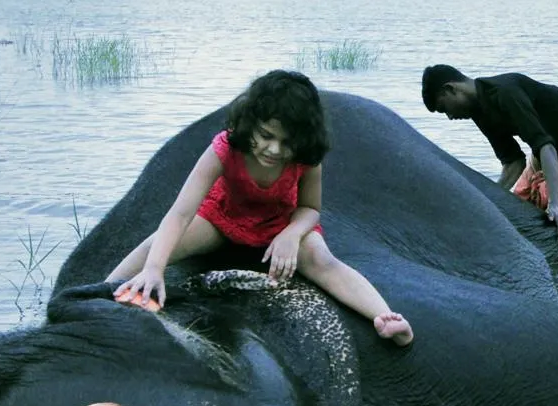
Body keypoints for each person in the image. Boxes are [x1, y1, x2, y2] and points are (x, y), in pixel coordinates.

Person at [106, 69, 414, 345]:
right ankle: (101, 293)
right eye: (266, 135)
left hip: (279, 224)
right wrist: (155, 269)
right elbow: (181, 212)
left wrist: (292, 235)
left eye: (287, 141)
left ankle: (385, 318)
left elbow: (310, 209)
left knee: (322, 259)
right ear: (250, 123)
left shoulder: (306, 158)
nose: (274, 149)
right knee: (155, 246)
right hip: (224, 218)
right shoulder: (225, 149)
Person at [420, 64, 558, 234]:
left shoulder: (504, 92)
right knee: (529, 211)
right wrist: (486, 201)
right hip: (545, 149)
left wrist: (555, 204)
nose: (450, 117)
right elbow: (513, 162)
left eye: (445, 108)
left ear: (451, 89)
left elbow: (545, 146)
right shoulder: (479, 112)